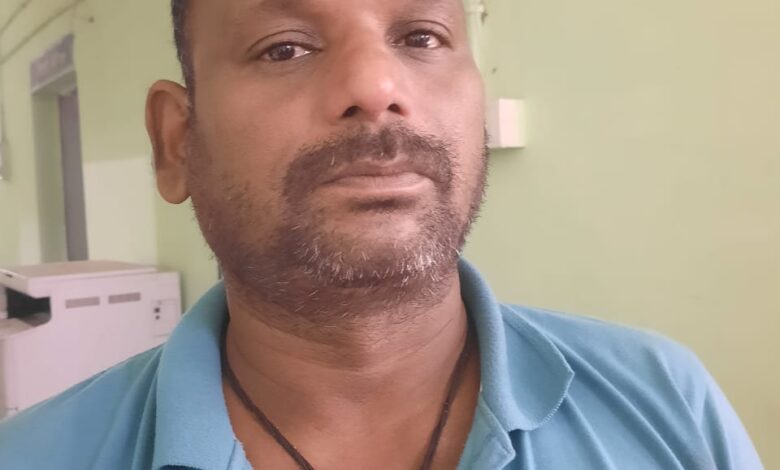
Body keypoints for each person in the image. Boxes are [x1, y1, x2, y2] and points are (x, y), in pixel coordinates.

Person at [0, 0, 764, 469]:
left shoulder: (667, 404)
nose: (376, 87)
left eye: (422, 36)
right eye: (285, 47)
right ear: (177, 143)